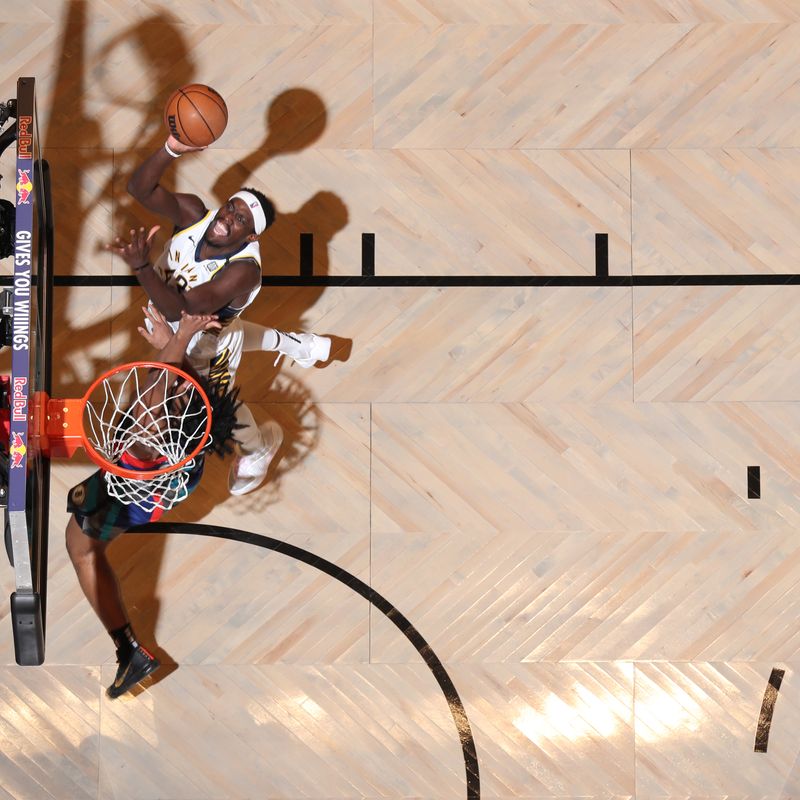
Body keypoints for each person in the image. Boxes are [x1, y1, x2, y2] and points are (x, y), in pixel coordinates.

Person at [122, 134, 331, 495]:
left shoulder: (244, 271)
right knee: (229, 330)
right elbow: (139, 188)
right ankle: (298, 344)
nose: (228, 219)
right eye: (231, 208)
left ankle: (258, 447)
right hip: (188, 323)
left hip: (205, 343)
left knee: (216, 403)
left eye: (241, 220)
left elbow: (183, 308)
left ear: (251, 238)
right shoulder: (193, 215)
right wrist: (171, 148)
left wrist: (142, 267)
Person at [65, 307, 242, 698]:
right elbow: (179, 388)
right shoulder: (191, 417)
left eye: (175, 388)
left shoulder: (149, 433)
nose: (176, 382)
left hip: (140, 484)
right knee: (81, 548)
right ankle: (129, 651)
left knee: (81, 549)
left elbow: (152, 404)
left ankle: (130, 650)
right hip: (167, 481)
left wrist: (178, 340)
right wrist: (169, 344)